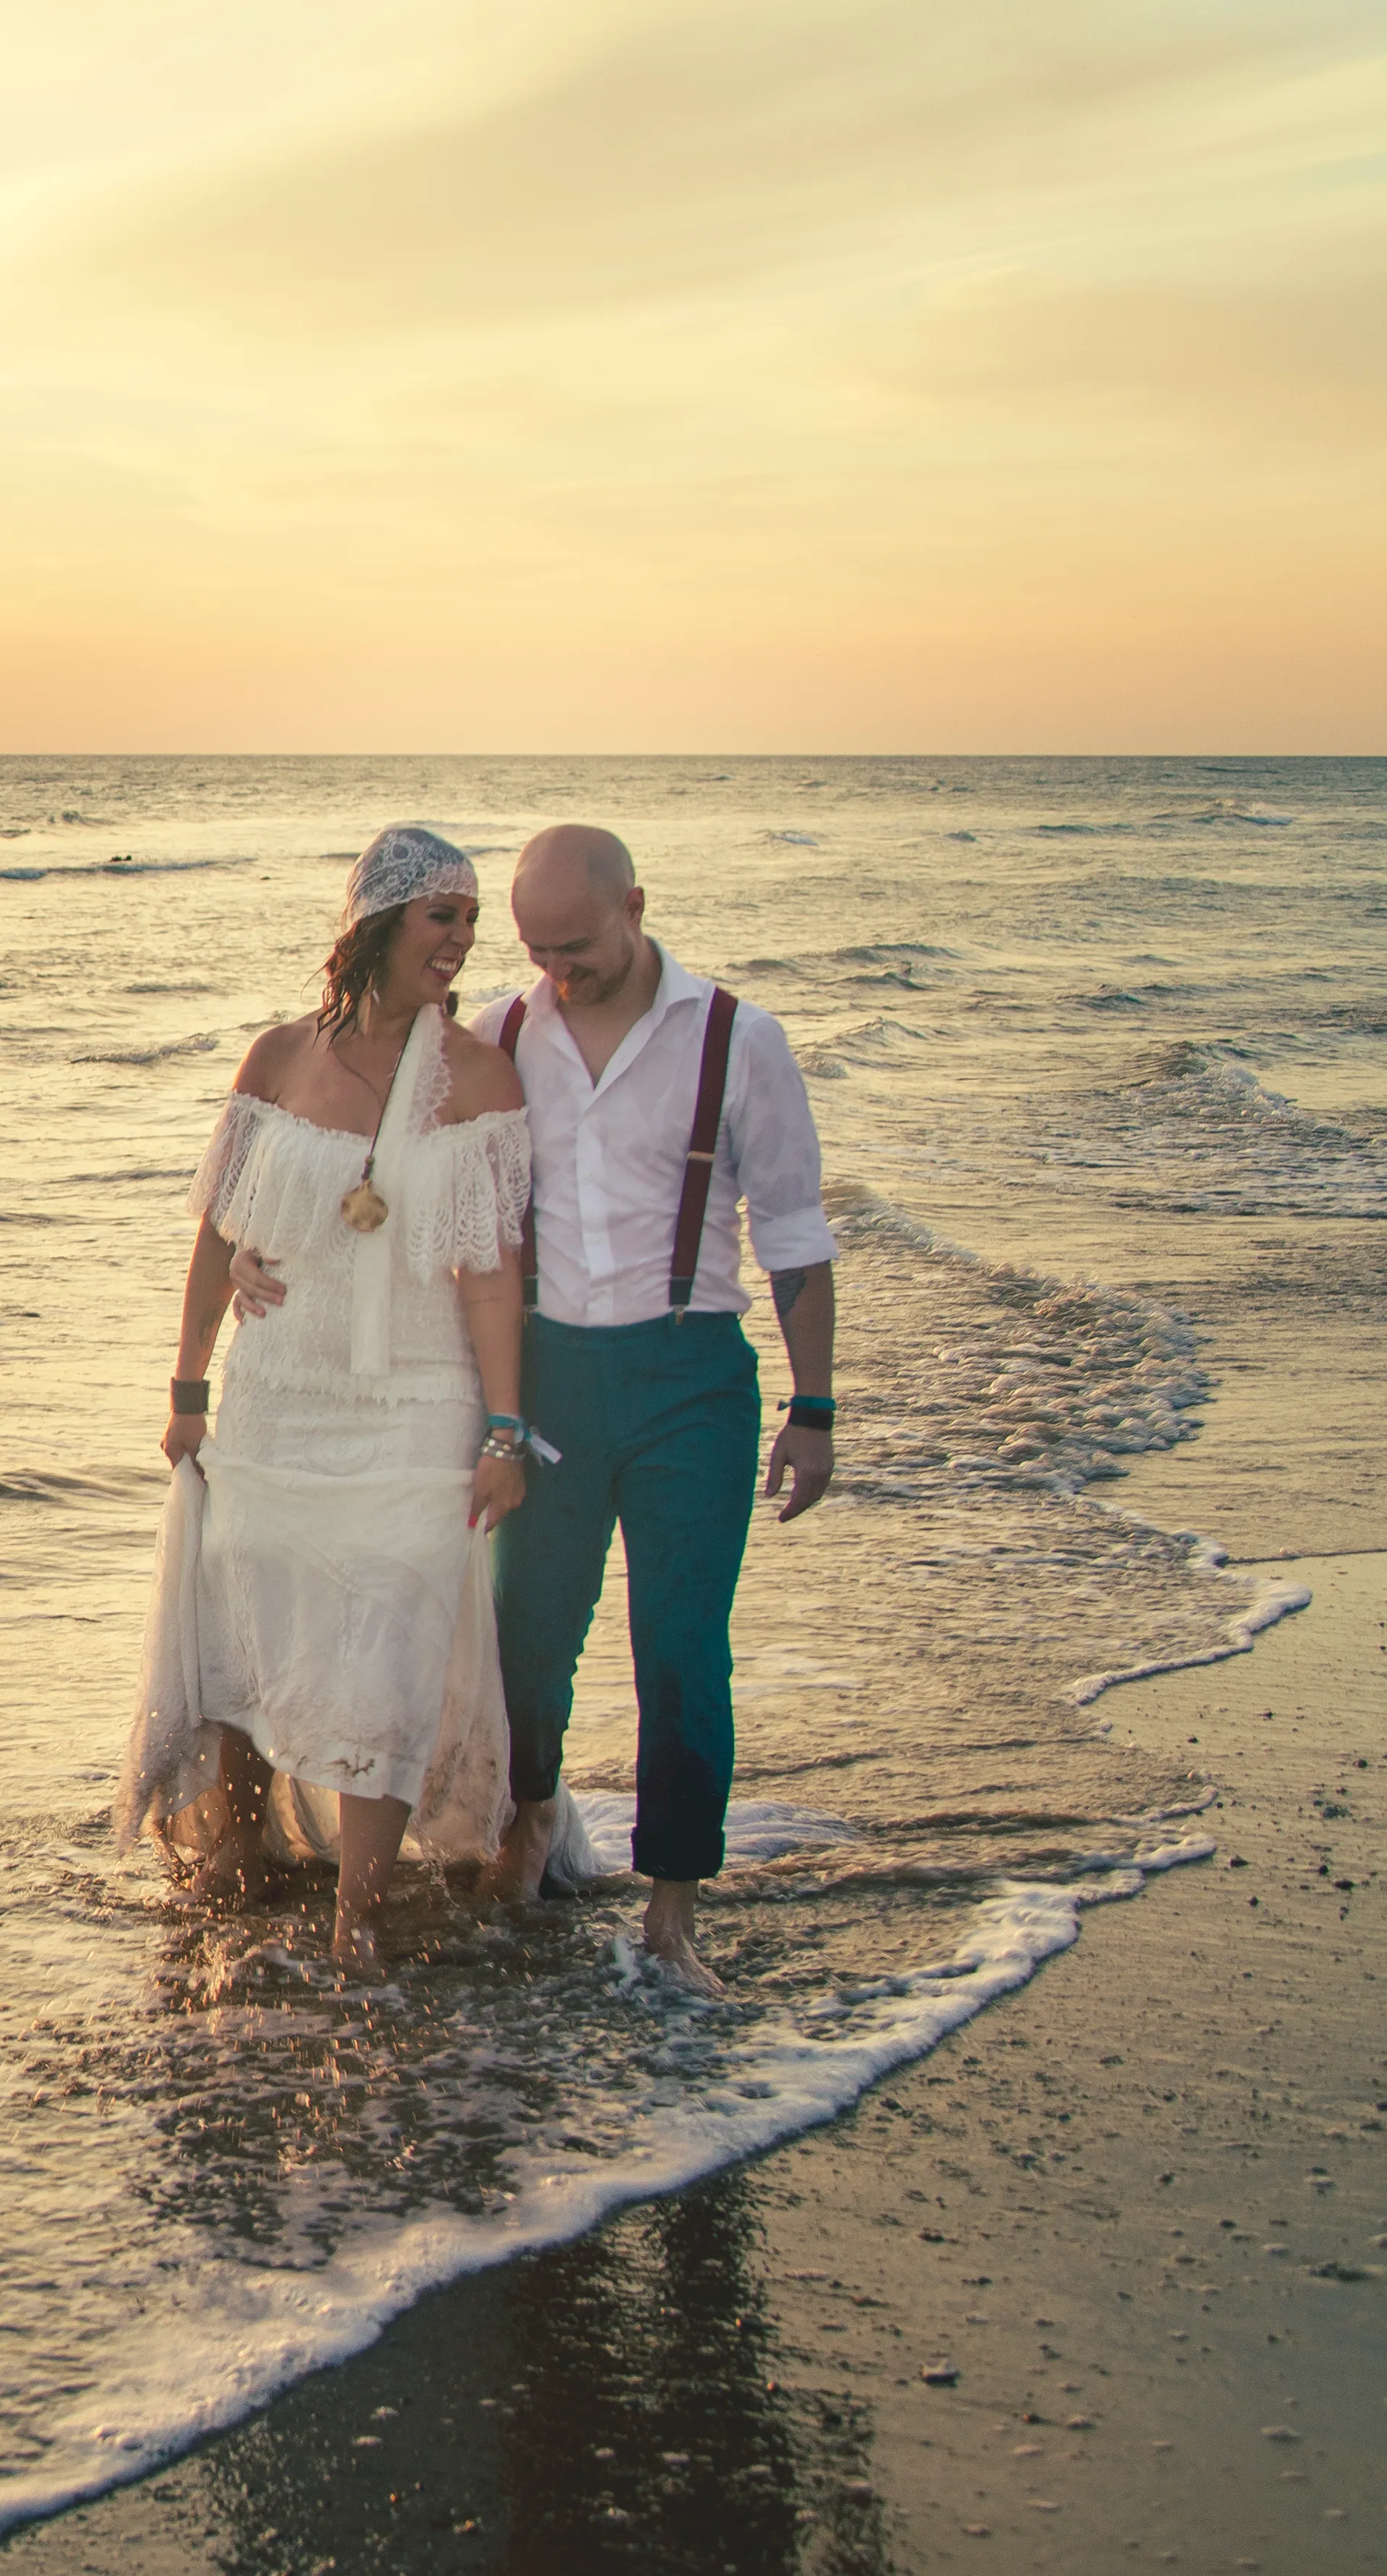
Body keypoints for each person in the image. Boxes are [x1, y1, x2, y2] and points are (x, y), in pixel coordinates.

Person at [235, 824, 839, 1995]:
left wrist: (813, 1406)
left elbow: (798, 1236)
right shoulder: (500, 1035)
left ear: (636, 906)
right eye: (539, 950)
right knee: (524, 1644)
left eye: (577, 946)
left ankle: (671, 1911)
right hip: (550, 1378)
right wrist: (260, 1252)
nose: (557, 970)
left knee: (678, 1651)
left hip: (690, 1372)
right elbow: (360, 1155)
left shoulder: (736, 1040)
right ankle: (528, 1820)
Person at [123, 827, 532, 1973]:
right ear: (374, 925)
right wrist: (188, 1386)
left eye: (468, 918)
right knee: (248, 1607)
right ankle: (241, 1847)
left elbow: (491, 1274)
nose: (460, 939)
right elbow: (217, 1229)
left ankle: (358, 1911)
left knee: (390, 1635)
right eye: (439, 916)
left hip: (416, 1397)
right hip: (278, 1389)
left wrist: (505, 1428)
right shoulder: (277, 1058)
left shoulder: (479, 1079)